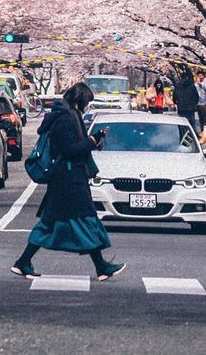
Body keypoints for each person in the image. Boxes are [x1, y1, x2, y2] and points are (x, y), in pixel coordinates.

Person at [11, 83, 124, 281]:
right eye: (86, 102)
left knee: (52, 223)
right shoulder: (63, 119)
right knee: (84, 218)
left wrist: (94, 141)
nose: (87, 106)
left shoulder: (69, 116)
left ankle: (23, 262)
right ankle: (101, 267)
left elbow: (73, 147)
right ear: (79, 99)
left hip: (69, 178)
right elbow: (70, 149)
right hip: (68, 180)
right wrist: (91, 141)